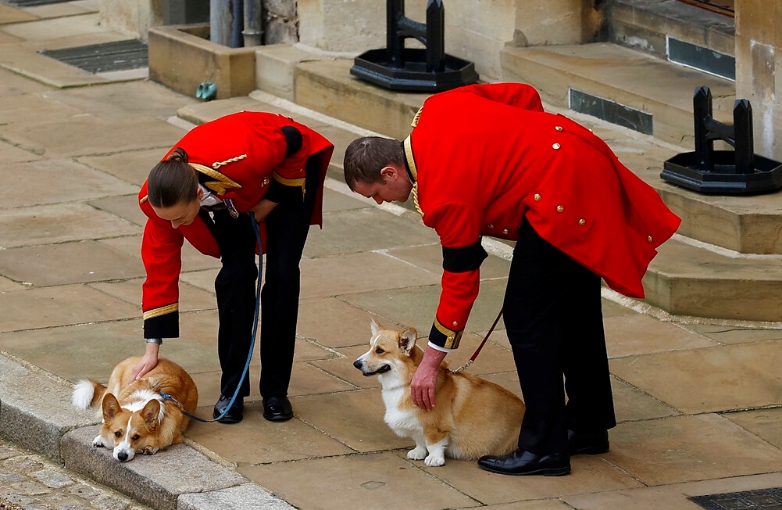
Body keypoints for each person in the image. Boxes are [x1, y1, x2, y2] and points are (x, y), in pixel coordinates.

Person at [343, 82, 680, 476]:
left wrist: (430, 362)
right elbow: (522, 95)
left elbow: (461, 282)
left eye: (378, 193)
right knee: (574, 309)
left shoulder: (444, 194)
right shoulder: (435, 109)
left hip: (560, 195)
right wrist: (529, 148)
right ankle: (587, 425)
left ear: (390, 171)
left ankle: (544, 448)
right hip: (576, 155)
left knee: (527, 321)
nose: (382, 202)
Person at [133, 111, 334, 424]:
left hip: (285, 174)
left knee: (282, 276)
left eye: (178, 217)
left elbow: (295, 141)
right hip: (234, 198)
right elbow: (159, 271)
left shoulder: (241, 156)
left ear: (197, 195)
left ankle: (275, 392)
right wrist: (151, 349)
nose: (172, 225)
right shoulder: (160, 201)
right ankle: (233, 390)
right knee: (235, 277)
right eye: (167, 218)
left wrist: (272, 200)